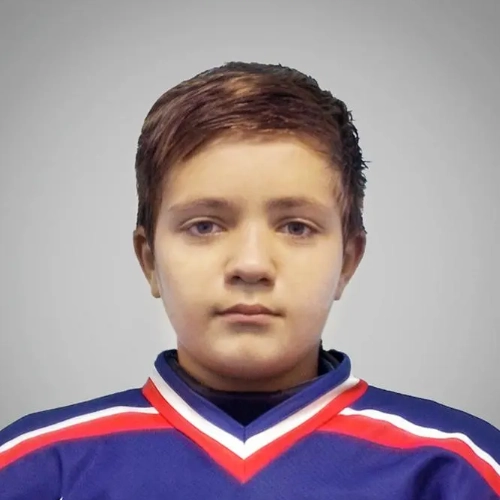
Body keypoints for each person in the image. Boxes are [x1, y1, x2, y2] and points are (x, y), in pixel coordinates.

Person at [1, 61, 499, 499]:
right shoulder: (34, 466)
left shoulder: (460, 468)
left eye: (296, 227)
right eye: (205, 226)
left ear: (347, 261)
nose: (251, 264)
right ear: (149, 259)